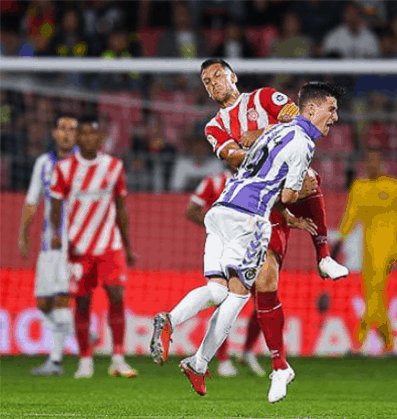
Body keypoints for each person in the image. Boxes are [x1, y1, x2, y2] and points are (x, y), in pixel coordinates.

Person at [149, 59, 347, 383]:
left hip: (238, 207)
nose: (212, 84)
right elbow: (237, 157)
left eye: (217, 76)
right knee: (247, 291)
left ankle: (181, 331)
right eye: (206, 81)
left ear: (233, 76)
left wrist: (259, 135)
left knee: (225, 290)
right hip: (255, 211)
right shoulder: (213, 126)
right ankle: (271, 362)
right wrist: (268, 140)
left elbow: (299, 119)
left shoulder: (264, 98)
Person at [50, 116, 138, 379]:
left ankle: (118, 358)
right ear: (77, 139)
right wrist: (57, 235)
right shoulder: (64, 169)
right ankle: (85, 360)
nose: (88, 138)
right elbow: (55, 205)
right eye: (84, 134)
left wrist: (128, 246)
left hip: (109, 245)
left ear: (100, 139)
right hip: (79, 246)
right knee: (83, 303)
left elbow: (121, 208)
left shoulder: (113, 166)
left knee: (117, 297)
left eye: (93, 134)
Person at [334, 147, 397, 354]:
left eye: (375, 161)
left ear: (382, 162)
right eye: (368, 162)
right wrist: (337, 244)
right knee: (374, 293)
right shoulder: (359, 187)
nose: (372, 165)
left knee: (376, 290)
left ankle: (359, 340)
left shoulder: (395, 186)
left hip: (390, 246)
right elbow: (350, 217)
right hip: (368, 247)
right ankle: (388, 343)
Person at [185, 171, 267, 377]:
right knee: (224, 302)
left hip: (253, 249)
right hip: (224, 251)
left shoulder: (260, 180)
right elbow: (191, 210)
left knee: (263, 301)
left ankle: (248, 352)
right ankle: (222, 359)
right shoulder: (212, 182)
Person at [18, 114, 77, 376]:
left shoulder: (84, 164)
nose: (66, 133)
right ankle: (80, 329)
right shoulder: (43, 163)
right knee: (43, 303)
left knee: (62, 299)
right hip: (47, 244)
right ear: (54, 133)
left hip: (73, 243)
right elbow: (32, 201)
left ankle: (55, 361)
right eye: (62, 128)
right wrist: (23, 234)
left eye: (72, 129)